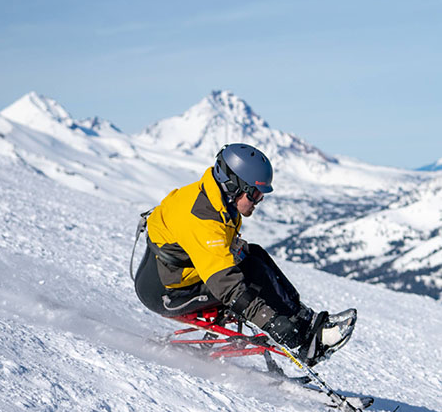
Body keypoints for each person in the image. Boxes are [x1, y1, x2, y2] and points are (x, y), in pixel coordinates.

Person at [133, 143, 354, 363]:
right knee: (251, 275)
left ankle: (307, 323)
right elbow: (228, 287)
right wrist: (273, 323)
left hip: (180, 278)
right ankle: (302, 339)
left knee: (254, 255)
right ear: (234, 186)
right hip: (168, 295)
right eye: (255, 194)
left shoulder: (218, 200)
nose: (259, 200)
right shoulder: (203, 218)